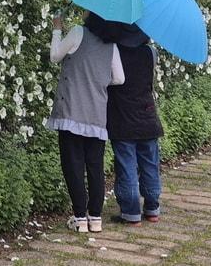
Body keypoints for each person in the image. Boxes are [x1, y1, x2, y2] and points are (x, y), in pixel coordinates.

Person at [46, 12, 125, 234]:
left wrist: (57, 28)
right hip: (96, 114)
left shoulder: (78, 32)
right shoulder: (112, 45)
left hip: (71, 111)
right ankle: (95, 218)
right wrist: (97, 80)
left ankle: (80, 217)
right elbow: (119, 78)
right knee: (95, 166)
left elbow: (55, 56)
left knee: (73, 165)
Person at [106, 34, 163, 226]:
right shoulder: (151, 53)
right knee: (150, 163)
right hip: (147, 114)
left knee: (127, 165)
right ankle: (152, 208)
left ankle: (131, 212)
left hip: (122, 116)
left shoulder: (114, 50)